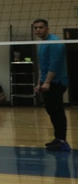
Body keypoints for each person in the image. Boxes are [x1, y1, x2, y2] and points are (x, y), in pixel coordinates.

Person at [33, 18, 70, 151]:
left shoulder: (55, 42)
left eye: (40, 27)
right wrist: (39, 83)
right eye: (36, 27)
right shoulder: (43, 43)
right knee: (51, 111)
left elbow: (54, 64)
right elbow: (43, 66)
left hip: (56, 82)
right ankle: (57, 138)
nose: (38, 29)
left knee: (57, 111)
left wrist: (47, 82)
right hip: (47, 82)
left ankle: (62, 140)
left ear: (47, 28)